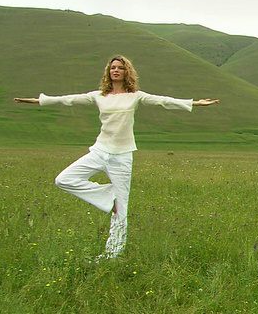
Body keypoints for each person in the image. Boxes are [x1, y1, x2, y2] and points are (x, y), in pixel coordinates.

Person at [14, 54, 219, 261]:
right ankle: (107, 197)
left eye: (120, 68)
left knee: (121, 211)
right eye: (112, 67)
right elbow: (69, 100)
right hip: (100, 151)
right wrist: (38, 100)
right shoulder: (99, 96)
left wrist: (195, 103)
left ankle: (111, 255)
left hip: (122, 156)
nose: (116, 70)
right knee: (63, 180)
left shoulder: (135, 96)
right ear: (108, 72)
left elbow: (164, 101)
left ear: (126, 71)